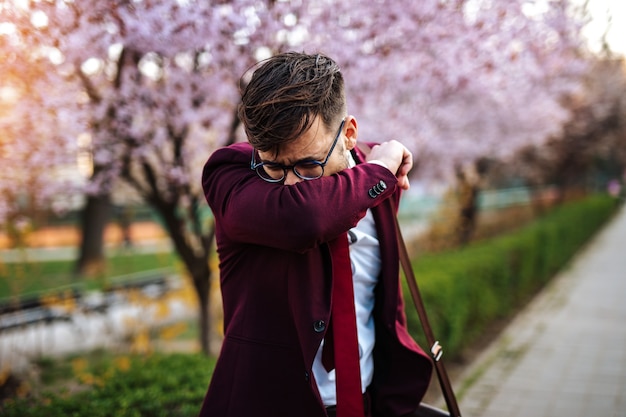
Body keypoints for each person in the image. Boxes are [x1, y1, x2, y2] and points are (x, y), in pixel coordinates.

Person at [200, 52, 432, 417]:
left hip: (369, 401)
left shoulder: (372, 173)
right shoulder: (231, 175)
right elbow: (303, 218)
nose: (290, 183)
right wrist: (381, 170)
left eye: (309, 165)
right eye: (274, 167)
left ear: (349, 133)